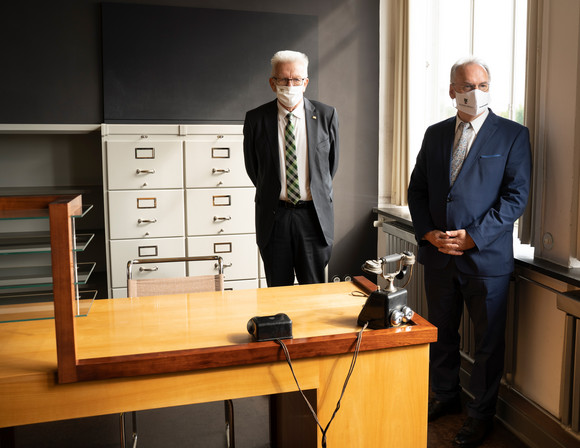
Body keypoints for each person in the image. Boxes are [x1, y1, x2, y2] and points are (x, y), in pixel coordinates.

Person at [407, 57, 531, 447]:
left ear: (489, 88)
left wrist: (474, 236)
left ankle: (481, 415)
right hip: (439, 256)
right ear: (451, 91)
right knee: (441, 334)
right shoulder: (435, 134)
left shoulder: (512, 134)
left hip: (486, 259)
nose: (474, 92)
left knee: (488, 343)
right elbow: (418, 190)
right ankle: (446, 396)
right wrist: (428, 233)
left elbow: (516, 197)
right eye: (465, 85)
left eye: (481, 85)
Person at [243, 50, 339, 287]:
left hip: (313, 219)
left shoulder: (326, 115)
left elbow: (330, 166)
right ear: (272, 83)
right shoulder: (256, 119)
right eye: (283, 79)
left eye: (296, 79)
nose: (290, 84)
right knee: (278, 293)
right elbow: (254, 169)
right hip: (275, 219)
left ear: (305, 83)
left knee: (314, 295)